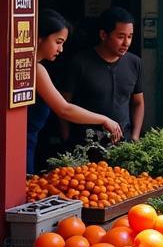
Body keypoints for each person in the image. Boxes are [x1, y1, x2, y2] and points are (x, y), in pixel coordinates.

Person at [29, 11, 122, 173]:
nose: (61, 49)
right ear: (39, 37)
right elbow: (64, 109)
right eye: (58, 42)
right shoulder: (35, 69)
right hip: (20, 144)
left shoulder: (32, 67)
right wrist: (104, 119)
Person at [64, 7, 145, 142]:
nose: (126, 43)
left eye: (130, 36)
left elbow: (138, 103)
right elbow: (64, 103)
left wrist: (135, 136)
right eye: (120, 36)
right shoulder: (79, 62)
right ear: (103, 35)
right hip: (86, 143)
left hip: (123, 143)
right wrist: (66, 138)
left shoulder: (134, 63)